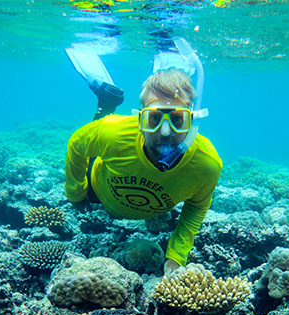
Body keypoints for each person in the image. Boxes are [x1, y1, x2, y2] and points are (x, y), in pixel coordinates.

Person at [64, 68, 222, 276]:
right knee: (96, 136)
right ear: (139, 120)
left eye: (177, 119)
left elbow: (197, 206)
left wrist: (176, 255)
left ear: (192, 121)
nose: (165, 132)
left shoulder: (207, 164)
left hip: (139, 203)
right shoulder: (112, 133)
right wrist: (76, 192)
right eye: (154, 119)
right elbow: (77, 143)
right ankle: (107, 103)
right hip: (97, 190)